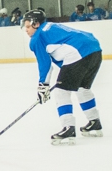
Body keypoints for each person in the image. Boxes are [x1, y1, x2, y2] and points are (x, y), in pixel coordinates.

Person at [23, 9, 103, 145]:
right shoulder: (51, 27)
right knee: (82, 89)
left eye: (28, 26)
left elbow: (45, 64)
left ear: (36, 24)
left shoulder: (37, 38)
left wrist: (43, 85)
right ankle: (94, 122)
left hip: (78, 53)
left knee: (61, 91)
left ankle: (68, 128)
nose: (26, 30)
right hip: (94, 49)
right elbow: (61, 59)